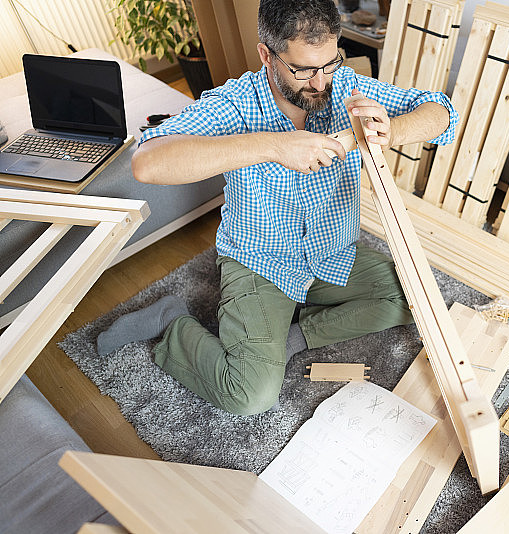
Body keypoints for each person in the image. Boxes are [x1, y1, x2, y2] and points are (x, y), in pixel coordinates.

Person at [96, 0, 458, 415]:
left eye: (330, 63)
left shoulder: (346, 87)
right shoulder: (233, 103)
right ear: (267, 55)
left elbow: (442, 109)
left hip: (330, 255)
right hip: (261, 263)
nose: (320, 82)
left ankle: (291, 339)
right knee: (249, 395)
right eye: (303, 70)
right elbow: (148, 162)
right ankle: (175, 324)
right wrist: (271, 145)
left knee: (419, 296)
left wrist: (394, 129)